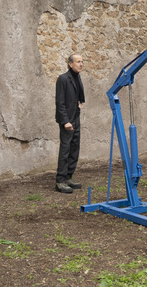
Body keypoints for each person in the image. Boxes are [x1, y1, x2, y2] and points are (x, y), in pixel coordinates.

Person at [54, 54, 85, 194]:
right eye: (78, 62)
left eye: (82, 61)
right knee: (65, 150)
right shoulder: (63, 79)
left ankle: (68, 176)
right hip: (67, 120)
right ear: (70, 64)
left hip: (76, 118)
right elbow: (60, 103)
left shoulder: (77, 77)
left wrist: (79, 103)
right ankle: (60, 180)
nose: (81, 64)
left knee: (74, 149)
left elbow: (78, 96)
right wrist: (65, 121)